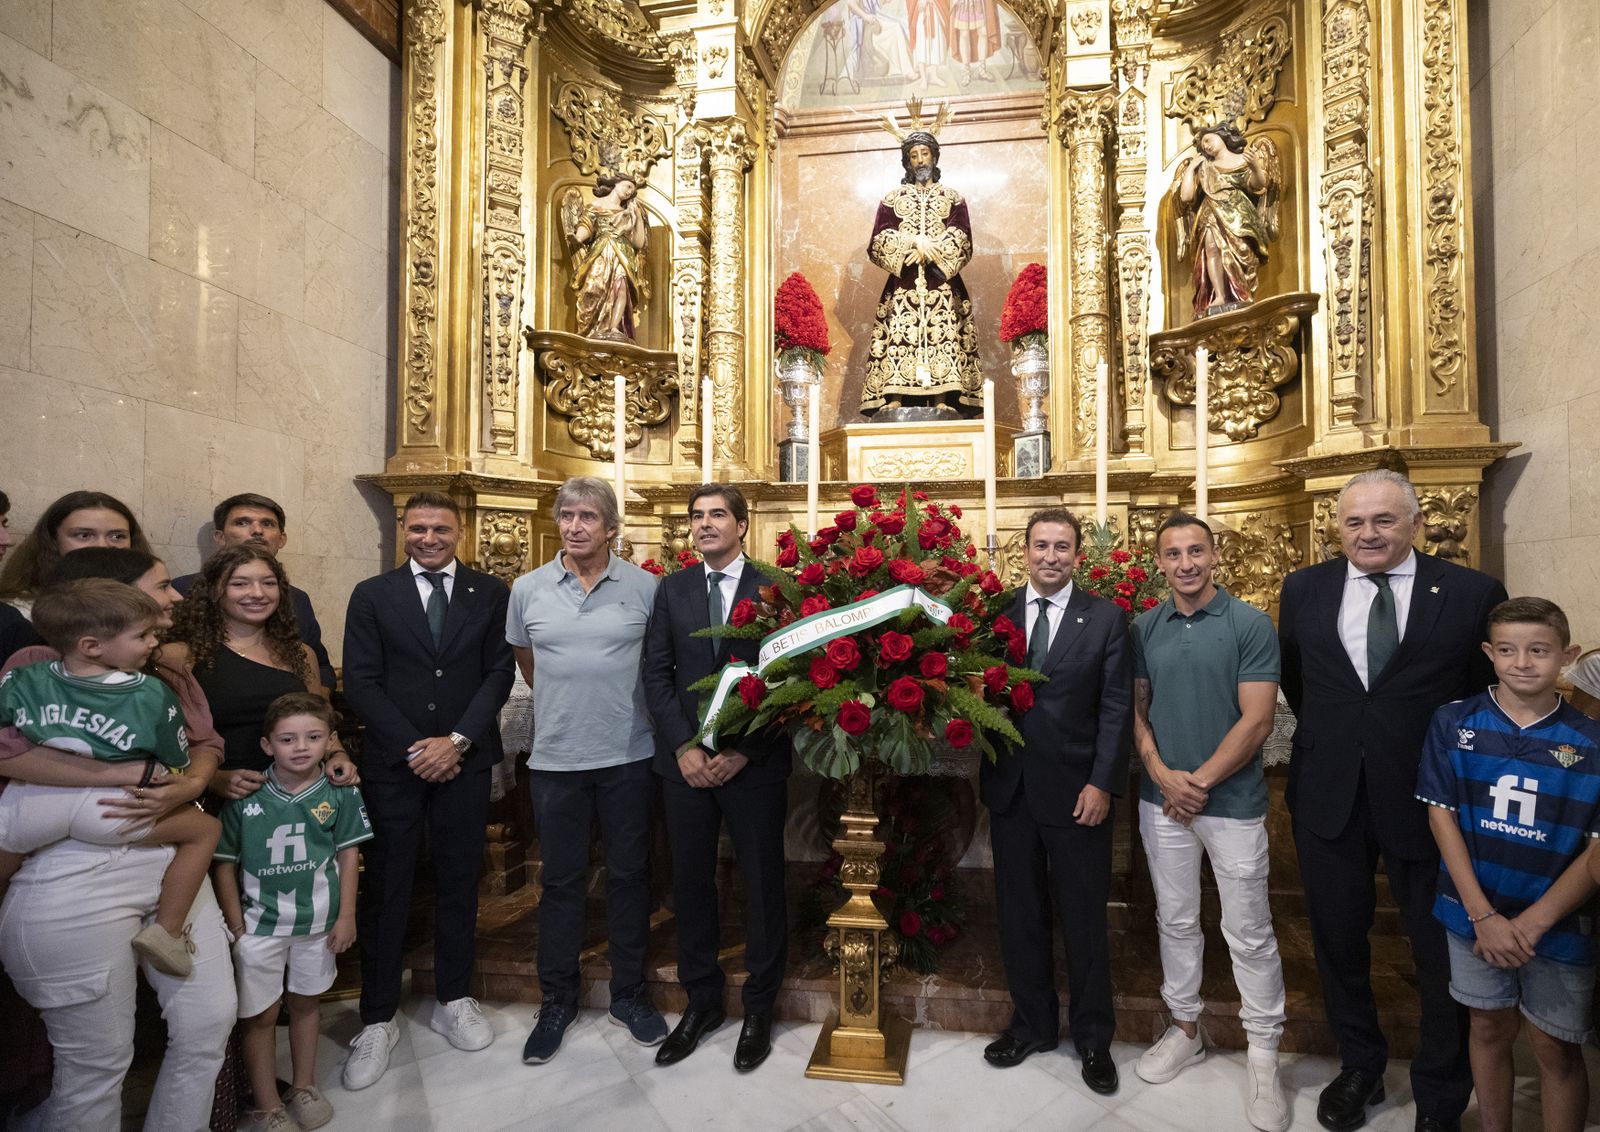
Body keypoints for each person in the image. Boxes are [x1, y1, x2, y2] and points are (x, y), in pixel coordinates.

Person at [1279, 468, 1507, 1132]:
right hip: (1330, 796)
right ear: (1337, 528)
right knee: (1338, 942)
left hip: (1430, 802)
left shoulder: (1470, 592)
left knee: (1439, 952)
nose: (1368, 533)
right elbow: (1302, 681)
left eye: (1383, 520)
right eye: (1354, 522)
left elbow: (1477, 695)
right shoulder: (1304, 589)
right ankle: (1360, 1065)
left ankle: (1440, 1092)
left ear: (1416, 523)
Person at [0, 546, 236, 1131]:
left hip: (163, 858)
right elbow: (10, 752)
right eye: (160, 587)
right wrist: (116, 775)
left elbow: (202, 743)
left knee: (209, 1020)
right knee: (96, 1064)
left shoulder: (166, 670)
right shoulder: (35, 663)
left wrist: (189, 786)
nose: (174, 596)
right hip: (77, 869)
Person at [341, 491, 514, 1087]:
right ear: (403, 530)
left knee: (461, 879)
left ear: (459, 531)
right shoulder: (372, 595)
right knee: (388, 883)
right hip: (397, 763)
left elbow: (499, 672)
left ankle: (454, 998)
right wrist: (418, 746)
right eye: (418, 528)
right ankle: (377, 1016)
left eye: (441, 528)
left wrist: (458, 741)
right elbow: (360, 680)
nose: (429, 537)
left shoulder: (491, 593)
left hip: (463, 762)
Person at [1416, 598, 1600, 1132]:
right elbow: (1442, 816)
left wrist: (1532, 922)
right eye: (1507, 650)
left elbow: (1595, 851)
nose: (1522, 662)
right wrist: (1484, 916)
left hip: (1559, 922)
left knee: (1557, 1048)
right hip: (1474, 913)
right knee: (1488, 1027)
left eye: (1539, 650)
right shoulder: (1453, 722)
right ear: (1488, 653)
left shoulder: (1590, 742)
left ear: (1565, 655)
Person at [1130, 513, 1289, 1131]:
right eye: (1174, 554)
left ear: (1214, 555)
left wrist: (1196, 783)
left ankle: (1264, 1051)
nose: (1186, 563)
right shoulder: (1144, 626)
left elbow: (1256, 720)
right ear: (1160, 563)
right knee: (1175, 919)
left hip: (1228, 803)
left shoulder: (1249, 623)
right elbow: (1135, 711)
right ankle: (1186, 1027)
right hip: (1161, 800)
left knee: (1248, 929)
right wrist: (1162, 773)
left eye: (1196, 551)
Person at [507, 476, 665, 1064]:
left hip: (628, 755)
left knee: (629, 876)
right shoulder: (527, 589)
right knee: (561, 881)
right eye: (567, 516)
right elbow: (528, 665)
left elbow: (657, 665)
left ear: (610, 527)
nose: (575, 526)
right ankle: (557, 999)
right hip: (557, 759)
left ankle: (628, 994)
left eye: (588, 517)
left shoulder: (646, 588)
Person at [979, 507, 1131, 1095]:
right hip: (1011, 790)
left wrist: (1101, 783)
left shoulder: (1107, 619)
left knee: (1084, 919)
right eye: (1040, 546)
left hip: (1077, 794)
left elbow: (1116, 708)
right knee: (1019, 914)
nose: (1050, 557)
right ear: (1025, 551)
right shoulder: (995, 617)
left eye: (1062, 547)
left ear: (1076, 555)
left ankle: (1094, 1038)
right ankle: (1032, 1025)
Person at [0, 579, 220, 978]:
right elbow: (175, 758)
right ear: (91, 645)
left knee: (7, 847)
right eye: (143, 635)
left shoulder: (23, 677)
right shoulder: (149, 692)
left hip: (28, 805)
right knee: (205, 830)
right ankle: (167, 931)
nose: (154, 642)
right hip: (111, 809)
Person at [643, 485, 790, 1072]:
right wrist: (684, 747)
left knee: (761, 883)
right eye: (697, 516)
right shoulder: (672, 588)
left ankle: (759, 1006)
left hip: (753, 766)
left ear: (742, 524)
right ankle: (701, 1001)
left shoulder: (775, 589)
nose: (705, 525)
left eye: (717, 515)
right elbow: (655, 673)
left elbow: (789, 678)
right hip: (686, 767)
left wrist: (745, 751)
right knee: (691, 884)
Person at [214, 692, 373, 1132]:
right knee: (261, 1015)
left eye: (313, 736)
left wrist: (346, 917)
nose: (301, 747)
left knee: (306, 1003)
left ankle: (303, 1085)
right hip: (260, 926)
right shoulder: (245, 798)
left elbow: (347, 858)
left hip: (318, 924)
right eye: (288, 738)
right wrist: (236, 923)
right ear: (267, 745)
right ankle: (268, 1104)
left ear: (330, 741)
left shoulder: (340, 795)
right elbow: (224, 862)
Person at [164, 545, 346, 803]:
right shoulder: (181, 655)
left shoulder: (301, 654)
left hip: (296, 795)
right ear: (215, 590)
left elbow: (319, 721)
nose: (258, 593)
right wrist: (212, 779)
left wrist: (337, 755)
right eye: (240, 584)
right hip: (221, 801)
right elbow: (166, 741)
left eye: (268, 583)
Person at [860, 112, 981, 416]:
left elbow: (963, 237)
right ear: (907, 162)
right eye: (913, 155)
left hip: (942, 284)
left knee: (946, 333)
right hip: (904, 286)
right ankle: (896, 396)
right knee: (900, 331)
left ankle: (943, 397)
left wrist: (933, 251)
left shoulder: (953, 198)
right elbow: (878, 241)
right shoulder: (892, 198)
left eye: (925, 153)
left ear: (934, 157)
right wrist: (913, 244)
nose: (920, 160)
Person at [172, 494, 336, 691]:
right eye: (242, 523)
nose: (257, 531)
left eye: (267, 524)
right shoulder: (180, 590)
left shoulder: (297, 598)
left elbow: (321, 666)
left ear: (282, 539)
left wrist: (314, 710)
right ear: (220, 537)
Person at [1169, 123, 1280, 318]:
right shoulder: (1205, 167)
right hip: (1210, 213)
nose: (1206, 146)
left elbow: (1258, 185)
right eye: (1203, 144)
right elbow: (1186, 197)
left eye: (1208, 140)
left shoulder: (1243, 159)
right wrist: (1191, 169)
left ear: (1223, 136)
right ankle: (1219, 295)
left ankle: (1241, 293)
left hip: (1239, 215)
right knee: (1212, 249)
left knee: (1243, 251)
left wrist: (1255, 167)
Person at [0, 490, 153, 613]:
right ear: (52, 541)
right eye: (84, 535)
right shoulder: (20, 613)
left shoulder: (153, 602)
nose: (102, 546)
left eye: (117, 536)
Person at [558, 174, 650, 342]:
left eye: (633, 191)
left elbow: (638, 243)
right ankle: (592, 330)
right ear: (616, 183)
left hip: (623, 254)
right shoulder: (595, 206)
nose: (630, 192)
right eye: (628, 186)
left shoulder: (629, 213)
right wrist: (577, 238)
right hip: (600, 253)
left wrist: (638, 217)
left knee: (622, 288)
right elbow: (586, 225)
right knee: (593, 287)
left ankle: (614, 327)